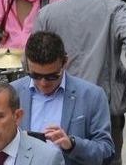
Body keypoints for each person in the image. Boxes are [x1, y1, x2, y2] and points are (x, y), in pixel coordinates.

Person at [33, 0, 126, 165]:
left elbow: (30, 57)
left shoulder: (47, 13)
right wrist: (124, 84)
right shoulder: (115, 8)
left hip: (57, 107)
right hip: (104, 106)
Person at [11, 31, 114, 165]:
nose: (43, 83)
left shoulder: (92, 95)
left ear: (65, 62)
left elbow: (106, 151)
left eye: (51, 76)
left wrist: (72, 144)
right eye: (35, 75)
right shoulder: (12, 93)